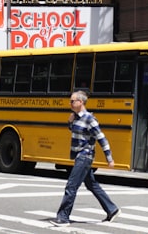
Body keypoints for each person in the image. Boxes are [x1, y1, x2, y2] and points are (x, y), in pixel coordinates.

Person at [51, 90, 120, 227]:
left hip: (85, 156)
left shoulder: (90, 119)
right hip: (79, 156)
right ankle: (112, 210)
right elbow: (75, 132)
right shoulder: (76, 117)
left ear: (80, 102)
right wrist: (69, 122)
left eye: (72, 101)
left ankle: (63, 217)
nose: (70, 103)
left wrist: (109, 158)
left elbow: (102, 138)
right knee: (91, 185)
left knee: (71, 186)